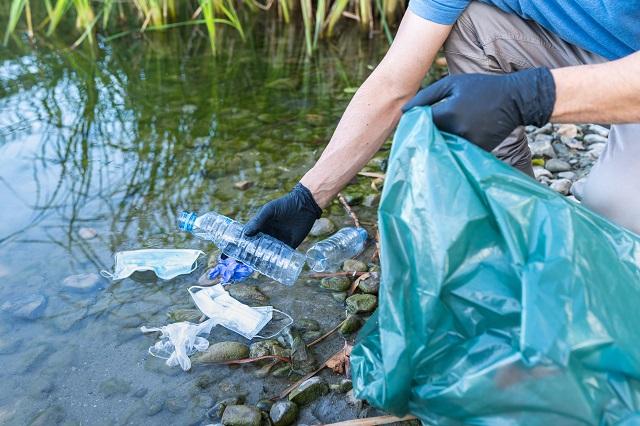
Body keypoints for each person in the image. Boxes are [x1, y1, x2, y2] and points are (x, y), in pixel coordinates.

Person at [245, 1, 640, 245]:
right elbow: (393, 83)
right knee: (472, 25)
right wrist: (310, 196)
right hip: (606, 57)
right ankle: (515, 221)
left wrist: (529, 95)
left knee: (615, 220)